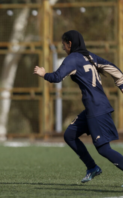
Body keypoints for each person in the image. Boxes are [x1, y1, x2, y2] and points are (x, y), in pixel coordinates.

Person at [34, 30, 123, 183]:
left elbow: (56, 77)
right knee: (69, 135)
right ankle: (92, 167)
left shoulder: (74, 58)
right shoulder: (90, 56)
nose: (63, 48)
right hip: (94, 108)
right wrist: (121, 85)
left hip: (97, 109)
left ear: (70, 44)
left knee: (103, 149)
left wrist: (44, 74)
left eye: (64, 45)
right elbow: (113, 68)